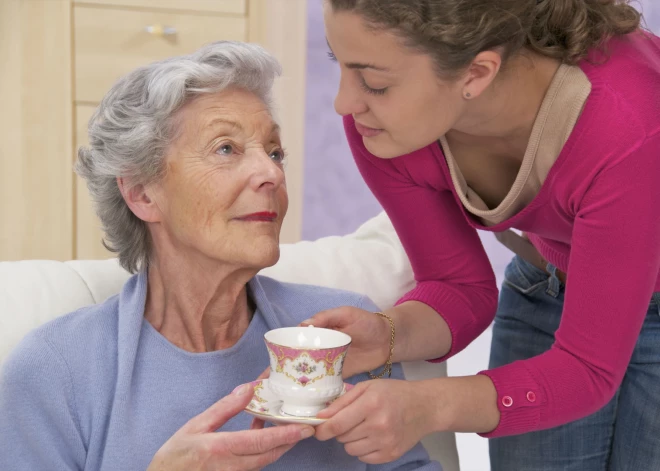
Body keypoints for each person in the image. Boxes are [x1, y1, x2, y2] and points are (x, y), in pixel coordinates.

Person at [0, 41, 441, 471]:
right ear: (141, 193)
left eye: (274, 152)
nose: (271, 173)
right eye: (225, 149)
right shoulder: (55, 371)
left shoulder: (338, 336)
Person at [303, 1, 660, 470]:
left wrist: (427, 407)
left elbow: (588, 370)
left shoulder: (629, 126)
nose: (344, 103)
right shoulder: (381, 127)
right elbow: (460, 288)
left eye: (374, 82)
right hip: (548, 281)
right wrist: (388, 334)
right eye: (340, 64)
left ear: (476, 73)